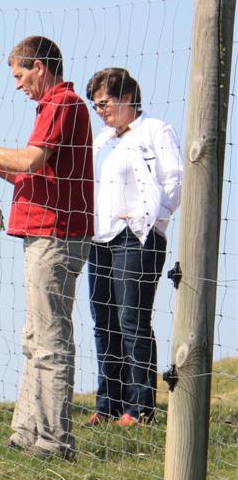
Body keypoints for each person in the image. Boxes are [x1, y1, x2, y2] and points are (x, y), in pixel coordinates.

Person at [0, 36, 93, 460]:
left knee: (49, 339)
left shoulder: (62, 105)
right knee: (34, 336)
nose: (17, 85)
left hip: (55, 234)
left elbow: (31, 161)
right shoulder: (55, 109)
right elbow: (37, 175)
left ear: (41, 68)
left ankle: (54, 441)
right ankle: (27, 431)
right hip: (46, 231)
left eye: (19, 75)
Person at [83, 68, 182, 427]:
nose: (100, 110)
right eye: (95, 105)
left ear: (126, 97)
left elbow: (174, 180)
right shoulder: (102, 140)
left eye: (104, 102)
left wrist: (152, 218)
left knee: (131, 319)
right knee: (103, 321)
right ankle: (108, 403)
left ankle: (140, 408)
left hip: (137, 238)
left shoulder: (154, 130)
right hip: (100, 238)